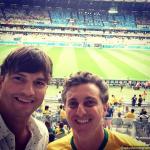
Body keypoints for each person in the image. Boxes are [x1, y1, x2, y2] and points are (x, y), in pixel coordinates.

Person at [47, 71, 147, 150]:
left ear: (105, 108)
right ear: (65, 107)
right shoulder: (51, 148)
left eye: (89, 102)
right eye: (73, 104)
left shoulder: (132, 147)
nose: (80, 112)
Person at [0, 46, 53, 150]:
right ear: (1, 82)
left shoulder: (42, 134)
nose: (28, 92)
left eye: (39, 83)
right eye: (19, 78)